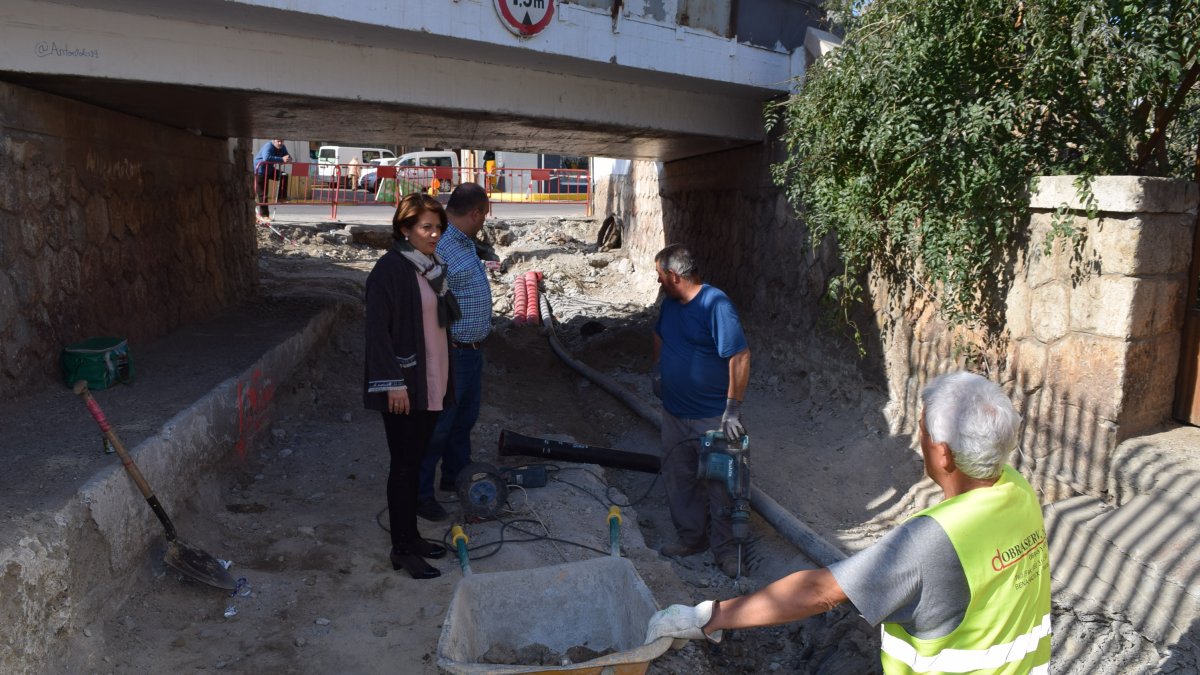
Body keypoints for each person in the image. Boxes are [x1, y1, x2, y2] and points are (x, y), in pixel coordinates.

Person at [645, 371, 1052, 675]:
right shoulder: (1017, 492)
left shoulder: (934, 539)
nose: (918, 440)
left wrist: (708, 617)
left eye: (923, 431)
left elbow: (821, 592)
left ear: (943, 455)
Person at [363, 193, 462, 580]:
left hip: (431, 379)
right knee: (404, 467)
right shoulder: (390, 270)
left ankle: (412, 537)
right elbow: (377, 333)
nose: (435, 234)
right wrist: (393, 384)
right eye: (426, 227)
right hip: (406, 385)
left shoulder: (431, 266)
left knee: (416, 461)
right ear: (405, 229)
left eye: (438, 227)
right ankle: (402, 549)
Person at [652, 243, 751, 578]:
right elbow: (660, 337)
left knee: (724, 486)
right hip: (675, 413)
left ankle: (728, 552)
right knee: (680, 480)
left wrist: (732, 410)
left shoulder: (716, 305)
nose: (658, 282)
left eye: (660, 276)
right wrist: (659, 372)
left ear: (675, 276)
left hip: (712, 415)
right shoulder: (670, 305)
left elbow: (739, 356)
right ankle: (692, 538)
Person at [417, 183, 493, 521]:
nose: (484, 223)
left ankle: (455, 477)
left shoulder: (463, 243)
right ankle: (420, 495)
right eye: (484, 217)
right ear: (475, 213)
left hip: (470, 352)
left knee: (463, 421)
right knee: (437, 426)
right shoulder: (441, 246)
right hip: (450, 353)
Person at [253, 139, 290, 222]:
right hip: (260, 171)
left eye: (282, 141)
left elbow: (288, 156)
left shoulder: (282, 147)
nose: (280, 143)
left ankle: (281, 197)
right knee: (263, 193)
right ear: (273, 140)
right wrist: (281, 159)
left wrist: (288, 159)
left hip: (269, 170)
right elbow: (266, 158)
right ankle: (264, 215)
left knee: (284, 175)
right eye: (278, 141)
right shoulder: (268, 146)